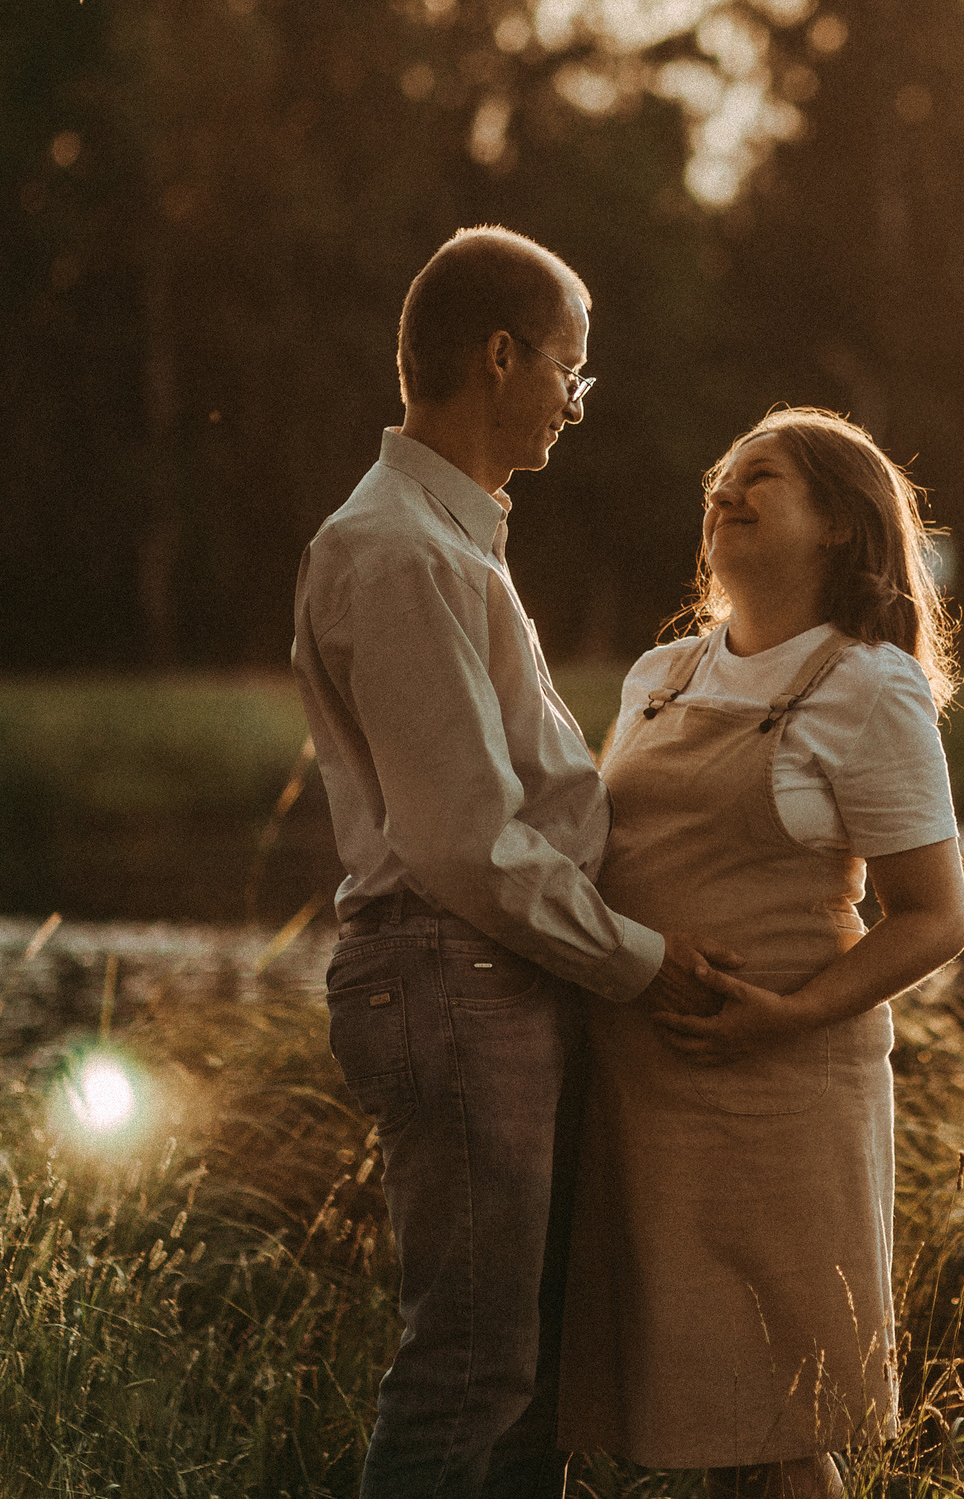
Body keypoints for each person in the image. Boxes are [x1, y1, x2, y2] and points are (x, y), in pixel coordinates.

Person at [292, 225, 735, 1499]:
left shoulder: (454, 539)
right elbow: (467, 845)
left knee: (522, 1378)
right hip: (450, 974)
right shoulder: (397, 551)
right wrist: (639, 964)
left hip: (487, 977)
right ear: (501, 358)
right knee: (473, 1369)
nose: (576, 404)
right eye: (570, 372)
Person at [561, 407, 964, 1498]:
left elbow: (935, 916)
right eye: (722, 479)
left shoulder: (867, 686)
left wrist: (785, 1016)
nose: (727, 493)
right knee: (694, 1419)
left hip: (779, 1089)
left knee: (781, 1427)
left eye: (763, 477)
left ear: (839, 523)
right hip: (640, 1085)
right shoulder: (659, 673)